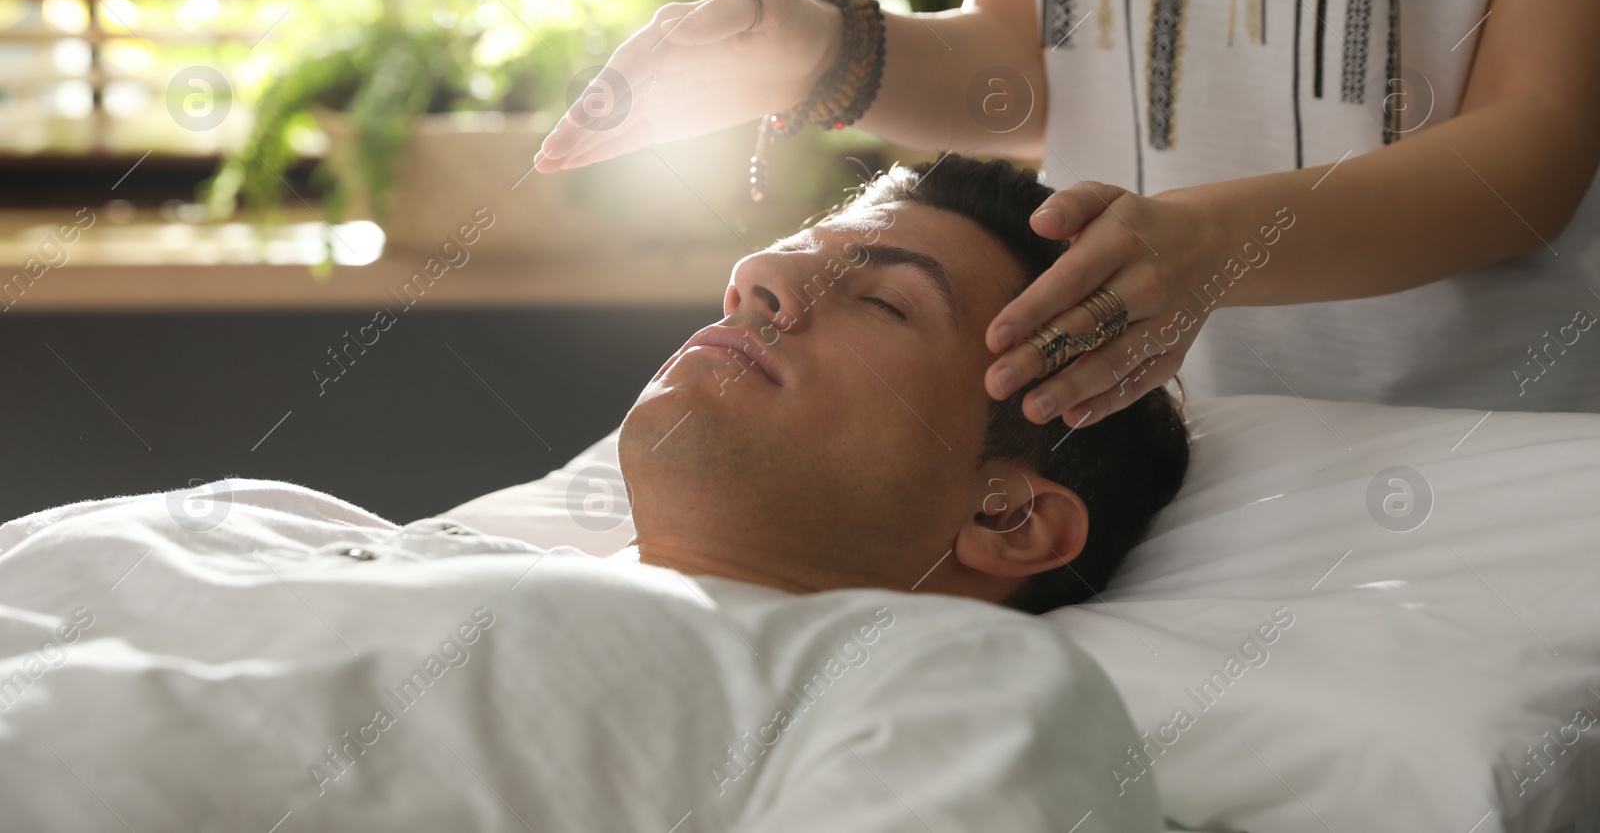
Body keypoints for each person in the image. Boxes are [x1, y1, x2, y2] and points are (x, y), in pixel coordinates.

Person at [0, 155, 1187, 832]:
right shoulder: (278, 517)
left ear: (1009, 513)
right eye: (786, 253)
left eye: (882, 299)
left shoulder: (927, 680)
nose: (759, 278)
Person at [532, 0, 1600, 423]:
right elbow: (1029, 74)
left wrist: (1203, 245)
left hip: (1470, 427)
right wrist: (818, 52)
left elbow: (1535, 149)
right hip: (1146, 417)